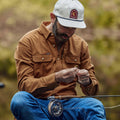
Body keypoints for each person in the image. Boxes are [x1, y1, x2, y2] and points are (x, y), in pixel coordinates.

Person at [10, 0, 106, 120]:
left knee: (95, 106)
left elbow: (92, 92)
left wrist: (86, 81)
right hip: (39, 105)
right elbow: (24, 86)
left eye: (74, 28)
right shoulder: (28, 41)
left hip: (69, 106)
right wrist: (56, 78)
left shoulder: (81, 45)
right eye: (65, 26)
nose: (69, 33)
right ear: (53, 17)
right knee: (19, 100)